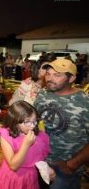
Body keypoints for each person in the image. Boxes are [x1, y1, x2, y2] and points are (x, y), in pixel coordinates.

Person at [34, 59, 89, 189]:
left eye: (57, 75)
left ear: (71, 78)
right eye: (48, 73)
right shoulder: (42, 94)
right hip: (40, 162)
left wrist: (72, 164)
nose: (50, 78)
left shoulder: (84, 101)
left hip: (65, 169)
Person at [0, 101, 54, 189]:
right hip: (12, 177)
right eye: (27, 122)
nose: (32, 126)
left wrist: (46, 168)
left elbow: (38, 157)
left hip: (30, 177)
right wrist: (25, 145)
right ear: (15, 121)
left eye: (35, 121)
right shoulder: (6, 135)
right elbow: (13, 166)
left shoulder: (40, 135)